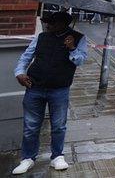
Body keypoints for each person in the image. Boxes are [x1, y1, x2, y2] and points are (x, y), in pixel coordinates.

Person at [11, 11, 88, 174]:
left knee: (59, 126)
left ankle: (57, 157)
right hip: (35, 87)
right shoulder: (41, 37)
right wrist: (19, 72)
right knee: (31, 126)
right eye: (47, 23)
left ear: (62, 24)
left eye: (51, 23)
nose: (47, 25)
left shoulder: (78, 38)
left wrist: (72, 48)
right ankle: (28, 158)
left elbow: (80, 60)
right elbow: (26, 56)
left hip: (59, 90)